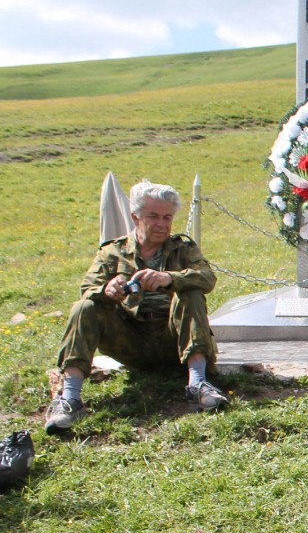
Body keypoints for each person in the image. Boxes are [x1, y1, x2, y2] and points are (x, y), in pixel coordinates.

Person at [45, 180, 228, 434]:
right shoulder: (113, 253)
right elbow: (87, 289)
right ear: (135, 216)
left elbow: (208, 278)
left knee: (191, 294)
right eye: (153, 216)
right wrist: (107, 290)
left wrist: (171, 279)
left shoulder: (182, 250)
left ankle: (198, 384)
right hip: (130, 340)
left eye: (167, 217)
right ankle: (70, 399)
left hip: (173, 341)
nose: (162, 224)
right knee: (84, 307)